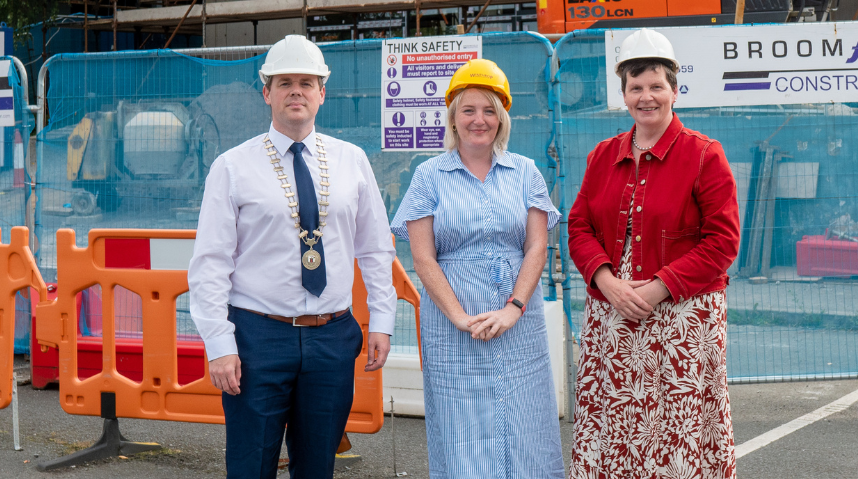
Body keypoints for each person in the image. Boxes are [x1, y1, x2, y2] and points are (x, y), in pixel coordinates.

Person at [188, 34, 396, 479]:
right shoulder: (232, 167)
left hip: (331, 337)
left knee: (318, 467)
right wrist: (219, 345)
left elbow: (376, 248)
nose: (296, 91)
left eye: (307, 82)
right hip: (257, 339)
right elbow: (210, 264)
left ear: (323, 92)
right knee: (250, 466)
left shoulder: (352, 161)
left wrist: (382, 319)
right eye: (285, 82)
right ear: (267, 92)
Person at [568, 28, 740, 478]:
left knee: (675, 427)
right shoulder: (602, 156)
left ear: (675, 91)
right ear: (624, 94)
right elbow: (579, 226)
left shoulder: (705, 155)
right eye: (636, 87)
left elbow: (723, 241)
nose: (647, 97)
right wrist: (606, 280)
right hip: (613, 310)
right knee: (617, 421)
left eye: (656, 86)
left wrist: (660, 288)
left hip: (683, 315)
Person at [391, 58, 565, 478]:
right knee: (462, 428)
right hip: (452, 328)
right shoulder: (428, 176)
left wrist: (513, 308)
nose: (478, 120)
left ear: (502, 117)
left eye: (489, 110)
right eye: (468, 110)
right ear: (453, 116)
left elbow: (537, 247)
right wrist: (461, 318)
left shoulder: (525, 172)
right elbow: (423, 258)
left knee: (526, 424)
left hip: (519, 324)